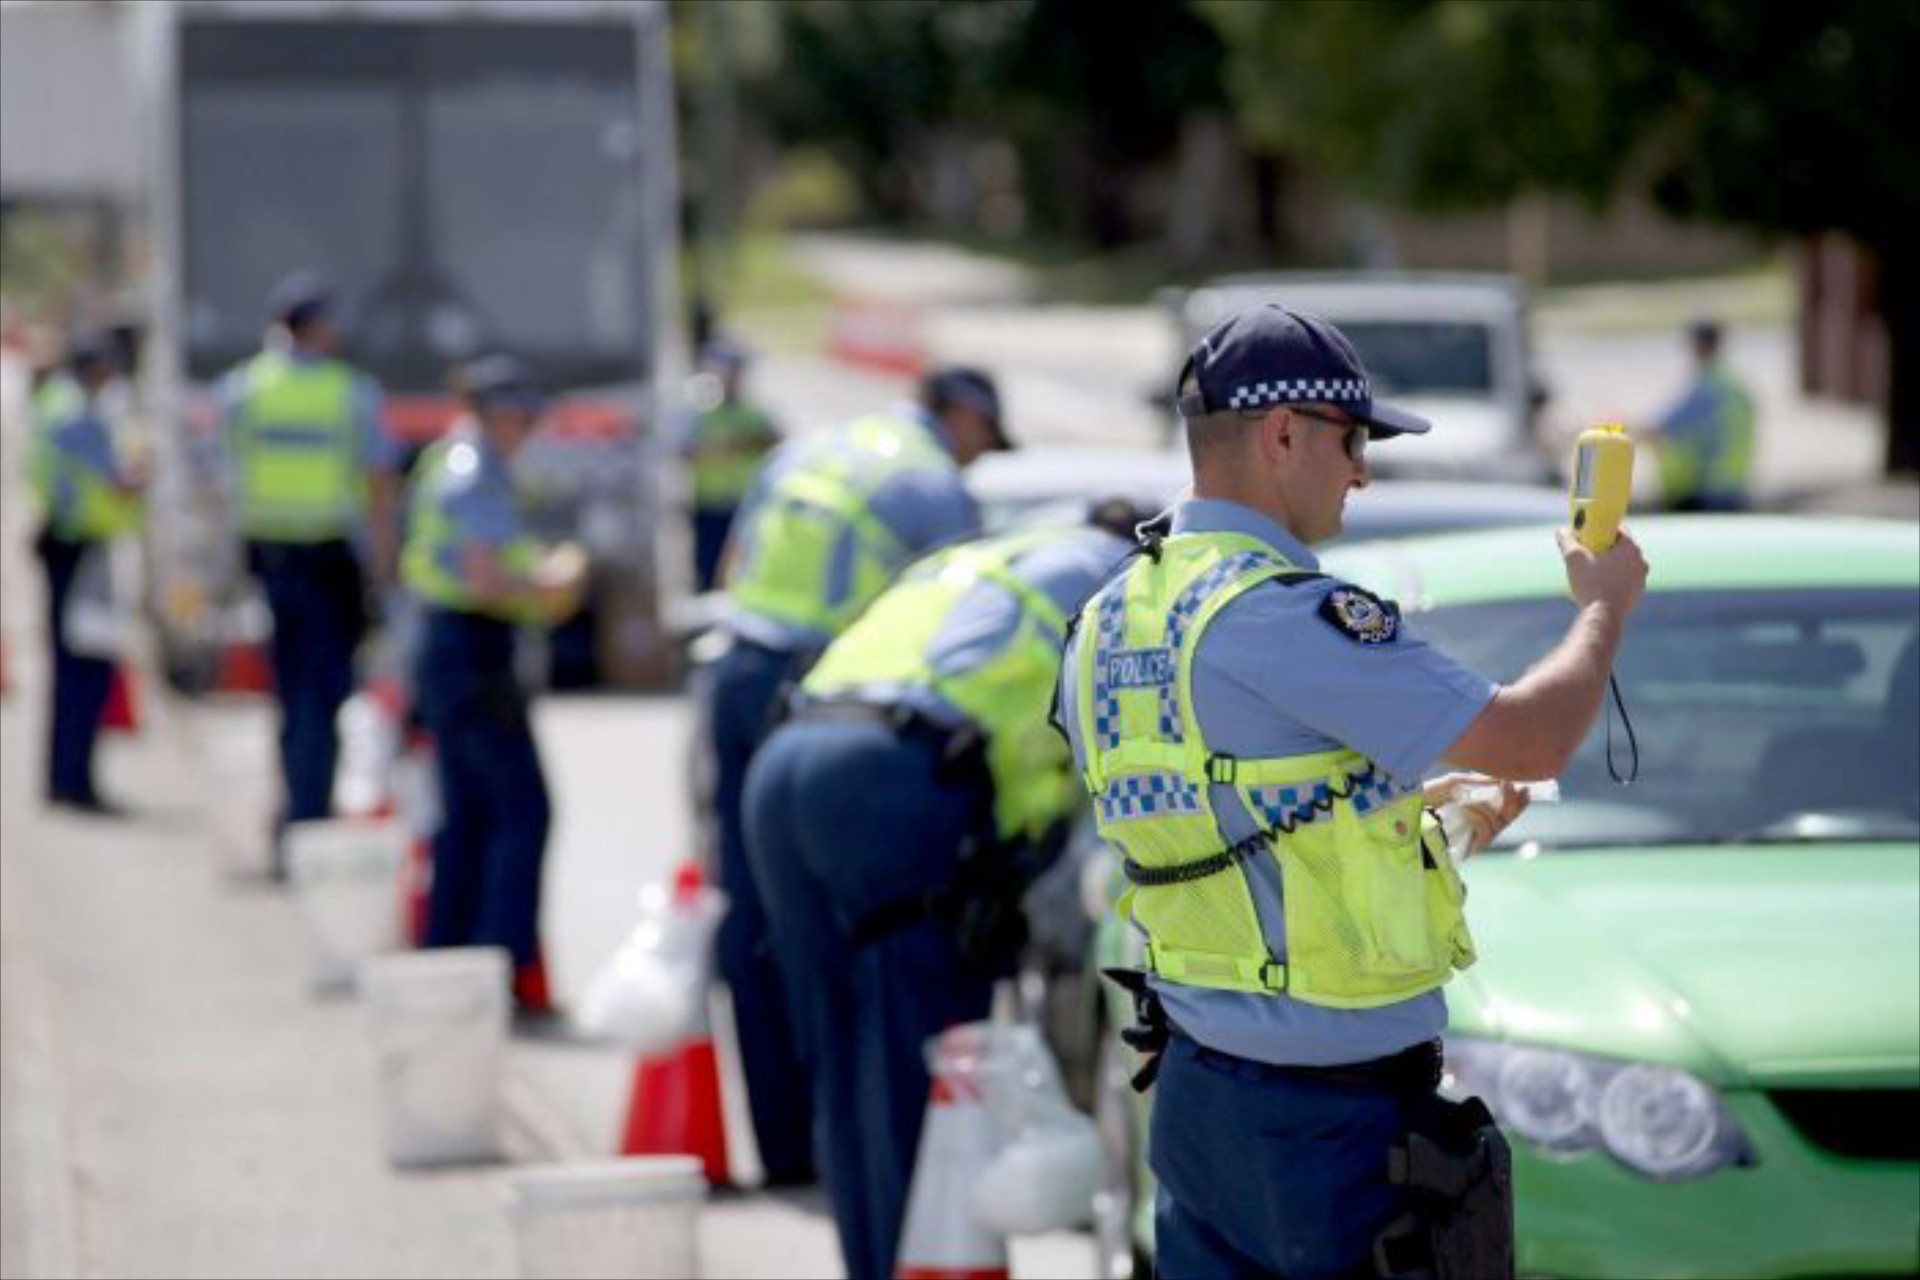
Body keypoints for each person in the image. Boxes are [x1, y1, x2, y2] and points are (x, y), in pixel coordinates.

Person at [1056, 305, 1649, 1279]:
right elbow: (1531, 734)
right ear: (1283, 432)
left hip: (1201, 1090)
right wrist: (1603, 610)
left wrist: (1433, 825)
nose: (1364, 471)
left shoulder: (1114, 614)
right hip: (1331, 1116)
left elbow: (1242, 830)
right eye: (1352, 439)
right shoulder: (1280, 615)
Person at [743, 504, 1141, 1279]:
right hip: (890, 782)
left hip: (787, 763)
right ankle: (921, 1264)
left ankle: (875, 1262)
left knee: (845, 1050)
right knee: (917, 1064)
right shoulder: (1118, 584)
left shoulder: (981, 562)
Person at [705, 364, 1009, 1186]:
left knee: (755, 910)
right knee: (853, 924)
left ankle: (788, 1148)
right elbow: (965, 622)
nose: (981, 461)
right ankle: (863, 1145)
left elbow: (734, 566)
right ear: (962, 415)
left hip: (738, 672)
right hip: (827, 698)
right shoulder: (930, 484)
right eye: (985, 439)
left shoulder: (809, 451)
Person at [400, 354, 586, 1012]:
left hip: (451, 649)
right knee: (522, 811)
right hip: (473, 650)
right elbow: (484, 578)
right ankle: (499, 966)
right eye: (524, 417)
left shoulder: (453, 459)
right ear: (497, 414)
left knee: (468, 814)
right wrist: (553, 583)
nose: (530, 430)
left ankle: (452, 958)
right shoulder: (475, 470)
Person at [220, 271, 400, 871]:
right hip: (326, 560)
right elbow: (378, 487)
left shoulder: (246, 389)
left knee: (292, 692)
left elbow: (221, 475)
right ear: (315, 327)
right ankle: (308, 817)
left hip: (269, 558)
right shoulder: (350, 393)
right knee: (323, 694)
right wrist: (385, 568)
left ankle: (296, 812)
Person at [30, 331, 146, 814]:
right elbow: (116, 480)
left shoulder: (59, 402)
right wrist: (142, 472)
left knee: (71, 669)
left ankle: (66, 779)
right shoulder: (77, 413)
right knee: (84, 670)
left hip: (66, 543)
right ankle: (73, 781)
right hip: (75, 548)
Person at [676, 339, 781, 592]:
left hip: (744, 502)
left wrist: (744, 442)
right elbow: (683, 450)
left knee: (747, 563)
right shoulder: (699, 412)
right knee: (708, 566)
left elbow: (778, 444)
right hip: (709, 503)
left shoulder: (754, 413)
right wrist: (711, 449)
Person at [1648, 318, 1756, 511]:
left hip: (1707, 491)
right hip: (1733, 486)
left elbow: (1662, 426)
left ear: (1700, 344)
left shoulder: (1708, 387)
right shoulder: (1733, 384)